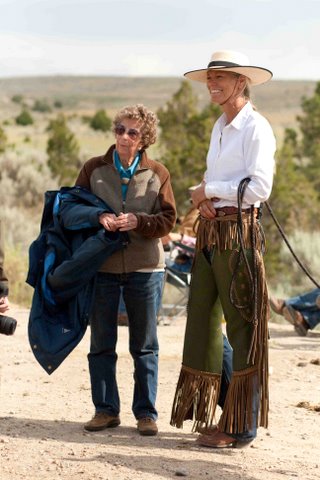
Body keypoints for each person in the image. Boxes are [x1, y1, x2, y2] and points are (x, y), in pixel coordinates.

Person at [170, 50, 276, 448]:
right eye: (210, 78)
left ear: (240, 82)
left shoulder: (256, 128)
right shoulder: (220, 124)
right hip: (213, 234)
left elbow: (259, 188)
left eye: (221, 78)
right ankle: (228, 414)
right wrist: (203, 197)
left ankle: (242, 427)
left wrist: (208, 191)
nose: (213, 84)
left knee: (243, 327)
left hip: (239, 237)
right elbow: (218, 176)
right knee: (205, 323)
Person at [74, 104, 176, 436]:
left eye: (133, 132)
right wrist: (97, 218)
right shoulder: (93, 169)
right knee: (101, 341)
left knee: (144, 345)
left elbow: (167, 220)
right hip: (101, 267)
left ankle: (145, 414)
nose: (124, 137)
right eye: (120, 129)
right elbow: (72, 209)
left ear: (145, 138)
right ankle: (105, 410)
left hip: (145, 268)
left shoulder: (158, 173)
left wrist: (139, 221)